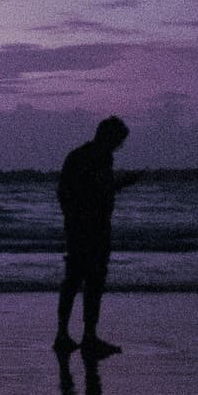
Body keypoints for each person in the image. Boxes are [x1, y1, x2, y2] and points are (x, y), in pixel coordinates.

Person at [54, 116, 142, 358]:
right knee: (92, 282)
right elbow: (96, 188)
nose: (118, 146)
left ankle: (64, 334)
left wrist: (71, 217)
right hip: (93, 227)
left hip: (78, 226)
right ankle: (88, 336)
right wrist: (122, 183)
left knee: (74, 280)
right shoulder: (97, 158)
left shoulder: (78, 155)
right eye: (118, 141)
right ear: (108, 136)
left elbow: (64, 191)